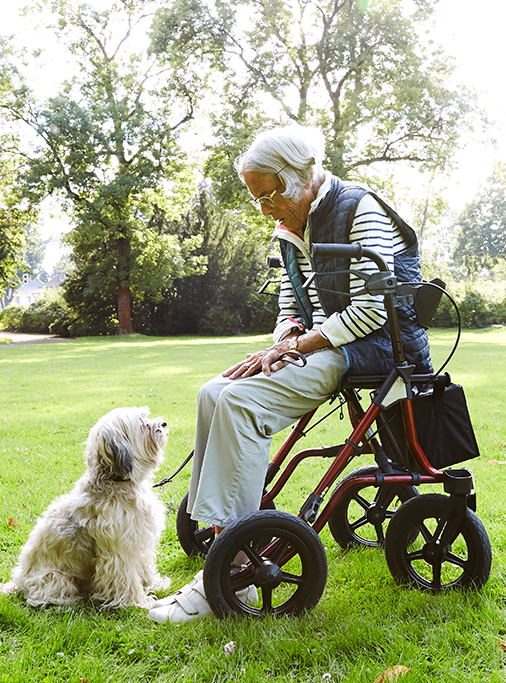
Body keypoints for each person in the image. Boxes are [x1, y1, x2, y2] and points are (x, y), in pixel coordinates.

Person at [148, 125, 432, 623]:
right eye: (256, 198)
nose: (264, 208)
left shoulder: (359, 208)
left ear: (301, 177)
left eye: (268, 194)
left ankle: (235, 558)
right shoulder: (289, 227)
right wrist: (281, 344)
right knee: (215, 392)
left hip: (376, 350)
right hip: (324, 343)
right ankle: (221, 531)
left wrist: (298, 345)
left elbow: (373, 311)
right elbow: (290, 301)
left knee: (241, 403)